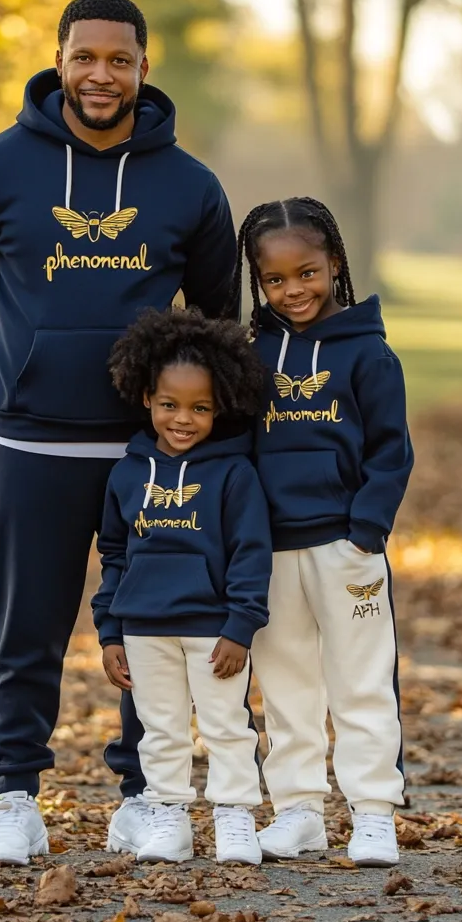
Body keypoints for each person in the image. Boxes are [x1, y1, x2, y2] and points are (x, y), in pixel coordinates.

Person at [0, 0, 238, 865]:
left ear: (145, 66)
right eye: (84, 57)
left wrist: (177, 418)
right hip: (31, 444)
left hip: (152, 453)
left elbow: (217, 318)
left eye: (118, 59)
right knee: (27, 630)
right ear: (58, 61)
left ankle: (146, 796)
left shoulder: (191, 185)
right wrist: (16, 378)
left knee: (152, 630)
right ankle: (15, 798)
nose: (100, 75)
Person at [237, 197, 414, 868]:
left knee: (361, 680)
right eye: (275, 279)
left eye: (306, 273)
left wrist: (366, 532)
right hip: (271, 549)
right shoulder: (252, 355)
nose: (293, 290)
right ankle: (300, 812)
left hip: (345, 545)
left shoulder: (369, 353)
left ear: (335, 263)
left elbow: (391, 452)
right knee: (286, 685)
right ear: (259, 281)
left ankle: (373, 813)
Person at [91, 307, 270, 865]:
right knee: (160, 730)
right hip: (144, 629)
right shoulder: (127, 473)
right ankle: (168, 818)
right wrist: (110, 631)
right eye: (169, 404)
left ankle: (235, 817)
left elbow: (250, 553)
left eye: (200, 408)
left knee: (226, 726)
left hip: (213, 629)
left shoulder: (234, 474)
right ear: (147, 398)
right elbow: (114, 555)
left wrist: (241, 626)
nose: (183, 419)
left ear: (220, 407)